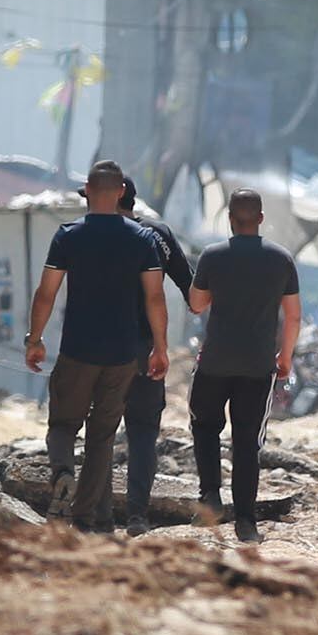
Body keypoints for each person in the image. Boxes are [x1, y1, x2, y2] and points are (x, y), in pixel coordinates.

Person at [22, 159, 169, 528]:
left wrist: (35, 339)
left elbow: (46, 294)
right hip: (122, 356)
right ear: (122, 192)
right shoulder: (142, 239)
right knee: (101, 438)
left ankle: (61, 474)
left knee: (61, 426)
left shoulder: (69, 235)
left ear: (86, 189)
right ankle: (84, 520)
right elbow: (154, 298)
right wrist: (161, 346)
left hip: (77, 351)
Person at [187, 190, 305, 539]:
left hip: (215, 361)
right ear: (261, 219)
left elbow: (196, 303)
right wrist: (285, 357)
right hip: (257, 364)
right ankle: (246, 522)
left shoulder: (213, 255)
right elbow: (294, 316)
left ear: (229, 218)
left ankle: (210, 496)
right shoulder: (281, 259)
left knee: (205, 426)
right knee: (247, 441)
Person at [115, 197, 202, 524]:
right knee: (142, 433)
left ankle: (94, 515)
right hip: (145, 348)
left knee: (100, 431)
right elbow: (188, 287)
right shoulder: (156, 234)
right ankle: (137, 514)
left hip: (99, 349)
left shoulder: (89, 233)